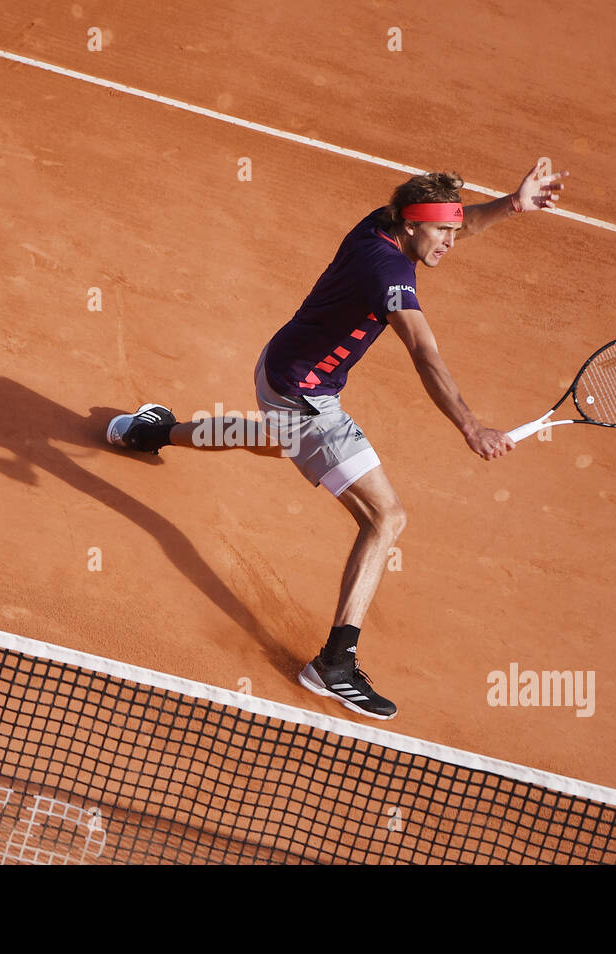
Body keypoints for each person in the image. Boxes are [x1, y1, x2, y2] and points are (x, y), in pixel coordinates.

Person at [107, 164, 568, 719]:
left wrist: (512, 205)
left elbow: (463, 221)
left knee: (271, 439)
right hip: (306, 394)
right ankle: (334, 665)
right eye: (443, 231)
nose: (452, 238)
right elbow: (424, 352)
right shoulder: (388, 274)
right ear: (414, 226)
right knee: (386, 518)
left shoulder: (381, 224)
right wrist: (471, 427)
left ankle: (153, 429)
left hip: (282, 369)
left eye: (452, 228)